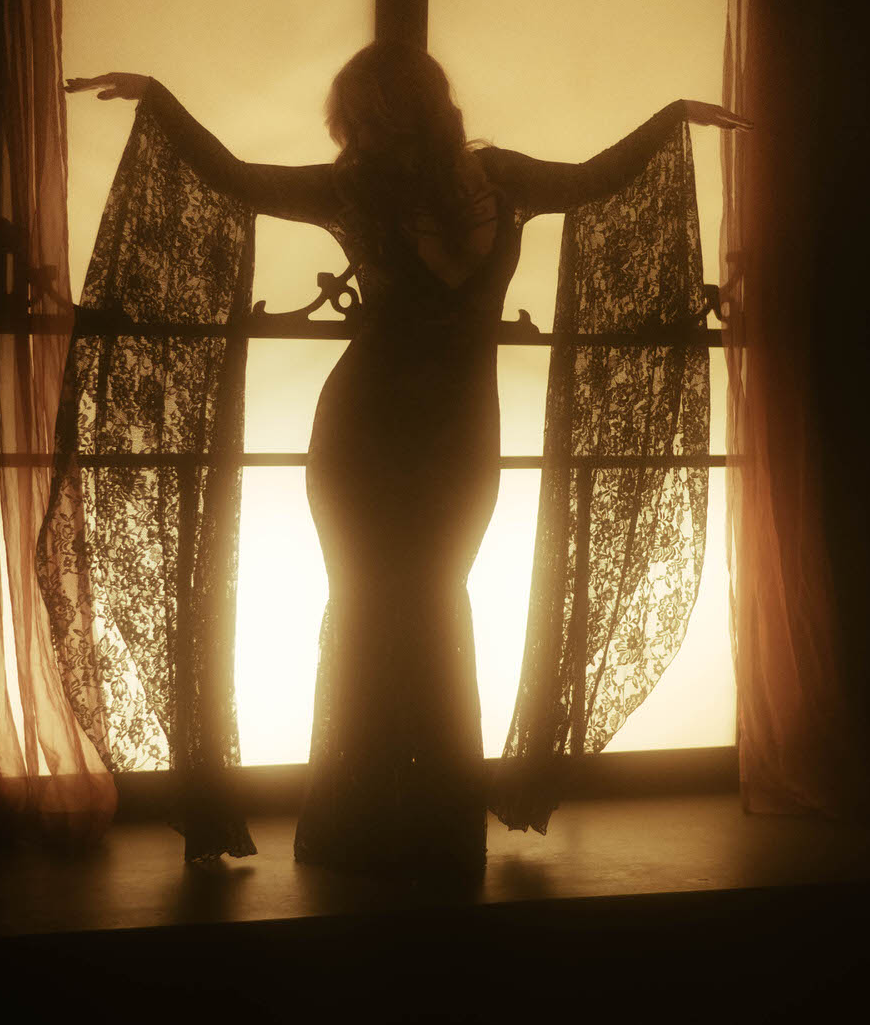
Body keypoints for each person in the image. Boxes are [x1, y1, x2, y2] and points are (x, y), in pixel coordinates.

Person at [64, 44, 750, 878]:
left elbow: (600, 178)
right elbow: (237, 179)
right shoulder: (366, 189)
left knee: (430, 608)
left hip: (459, 438)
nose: (361, 130)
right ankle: (367, 822)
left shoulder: (501, 177)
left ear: (394, 110)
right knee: (370, 608)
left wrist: (672, 119)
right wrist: (159, 103)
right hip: (365, 433)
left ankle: (424, 821)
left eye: (364, 114)